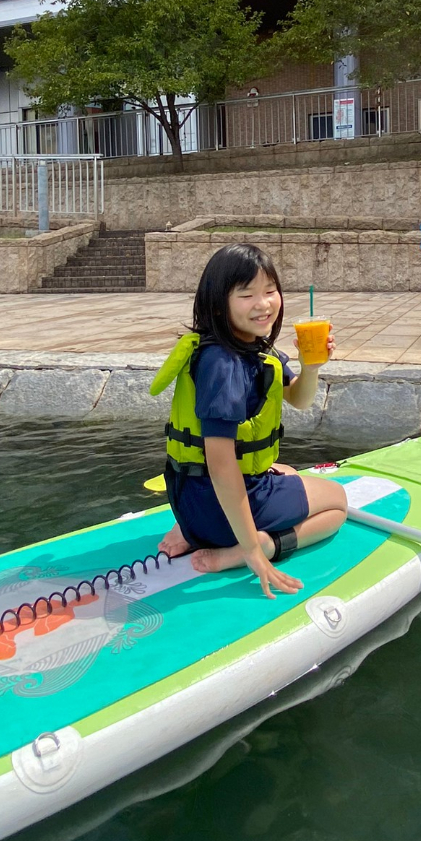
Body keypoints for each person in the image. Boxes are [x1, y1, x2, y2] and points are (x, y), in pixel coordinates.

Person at [150, 243, 349, 599]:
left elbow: (299, 399)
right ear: (218, 303)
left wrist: (311, 366)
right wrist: (255, 551)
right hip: (215, 510)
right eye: (247, 294)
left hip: (190, 501)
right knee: (337, 502)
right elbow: (222, 464)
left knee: (284, 469)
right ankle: (243, 549)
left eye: (270, 291)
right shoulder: (224, 366)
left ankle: (194, 532)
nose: (264, 304)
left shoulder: (249, 347)